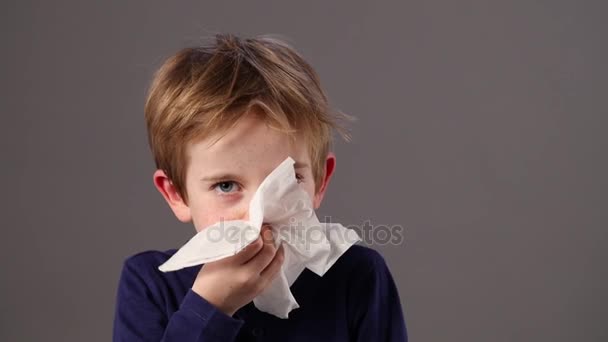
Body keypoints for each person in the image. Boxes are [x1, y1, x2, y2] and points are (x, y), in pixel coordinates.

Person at [112, 33, 407, 341]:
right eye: (226, 185)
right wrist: (207, 308)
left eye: (287, 181)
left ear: (320, 182)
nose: (260, 215)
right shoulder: (149, 284)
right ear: (177, 194)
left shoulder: (359, 277)